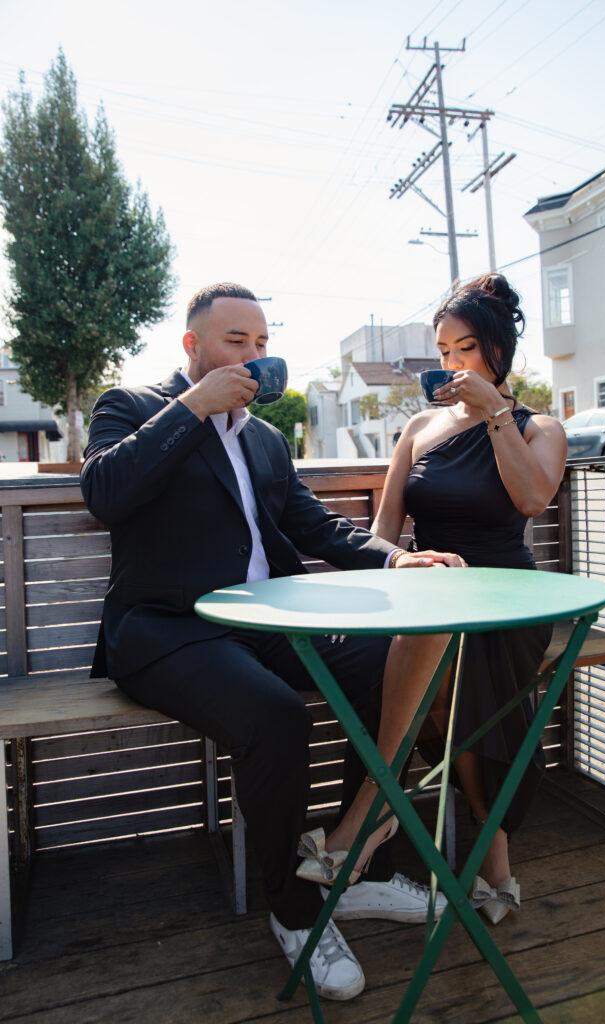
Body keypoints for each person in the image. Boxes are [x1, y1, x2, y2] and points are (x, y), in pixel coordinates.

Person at [80, 281, 460, 1003]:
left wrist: (393, 558)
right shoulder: (130, 407)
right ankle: (292, 907)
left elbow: (315, 528)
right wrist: (193, 407)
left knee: (395, 664)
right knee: (276, 715)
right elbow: (104, 492)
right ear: (193, 346)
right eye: (236, 343)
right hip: (167, 629)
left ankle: (356, 868)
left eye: (261, 343)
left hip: (268, 623)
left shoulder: (263, 439)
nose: (254, 358)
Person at [321, 273, 567, 926]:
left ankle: (372, 812)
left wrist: (492, 413)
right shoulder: (419, 427)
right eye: (442, 351)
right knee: (440, 673)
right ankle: (494, 861)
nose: (451, 364)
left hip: (509, 603)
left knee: (449, 680)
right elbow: (383, 534)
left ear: (496, 350)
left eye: (464, 349)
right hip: (429, 599)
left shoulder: (537, 427)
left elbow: (530, 499)